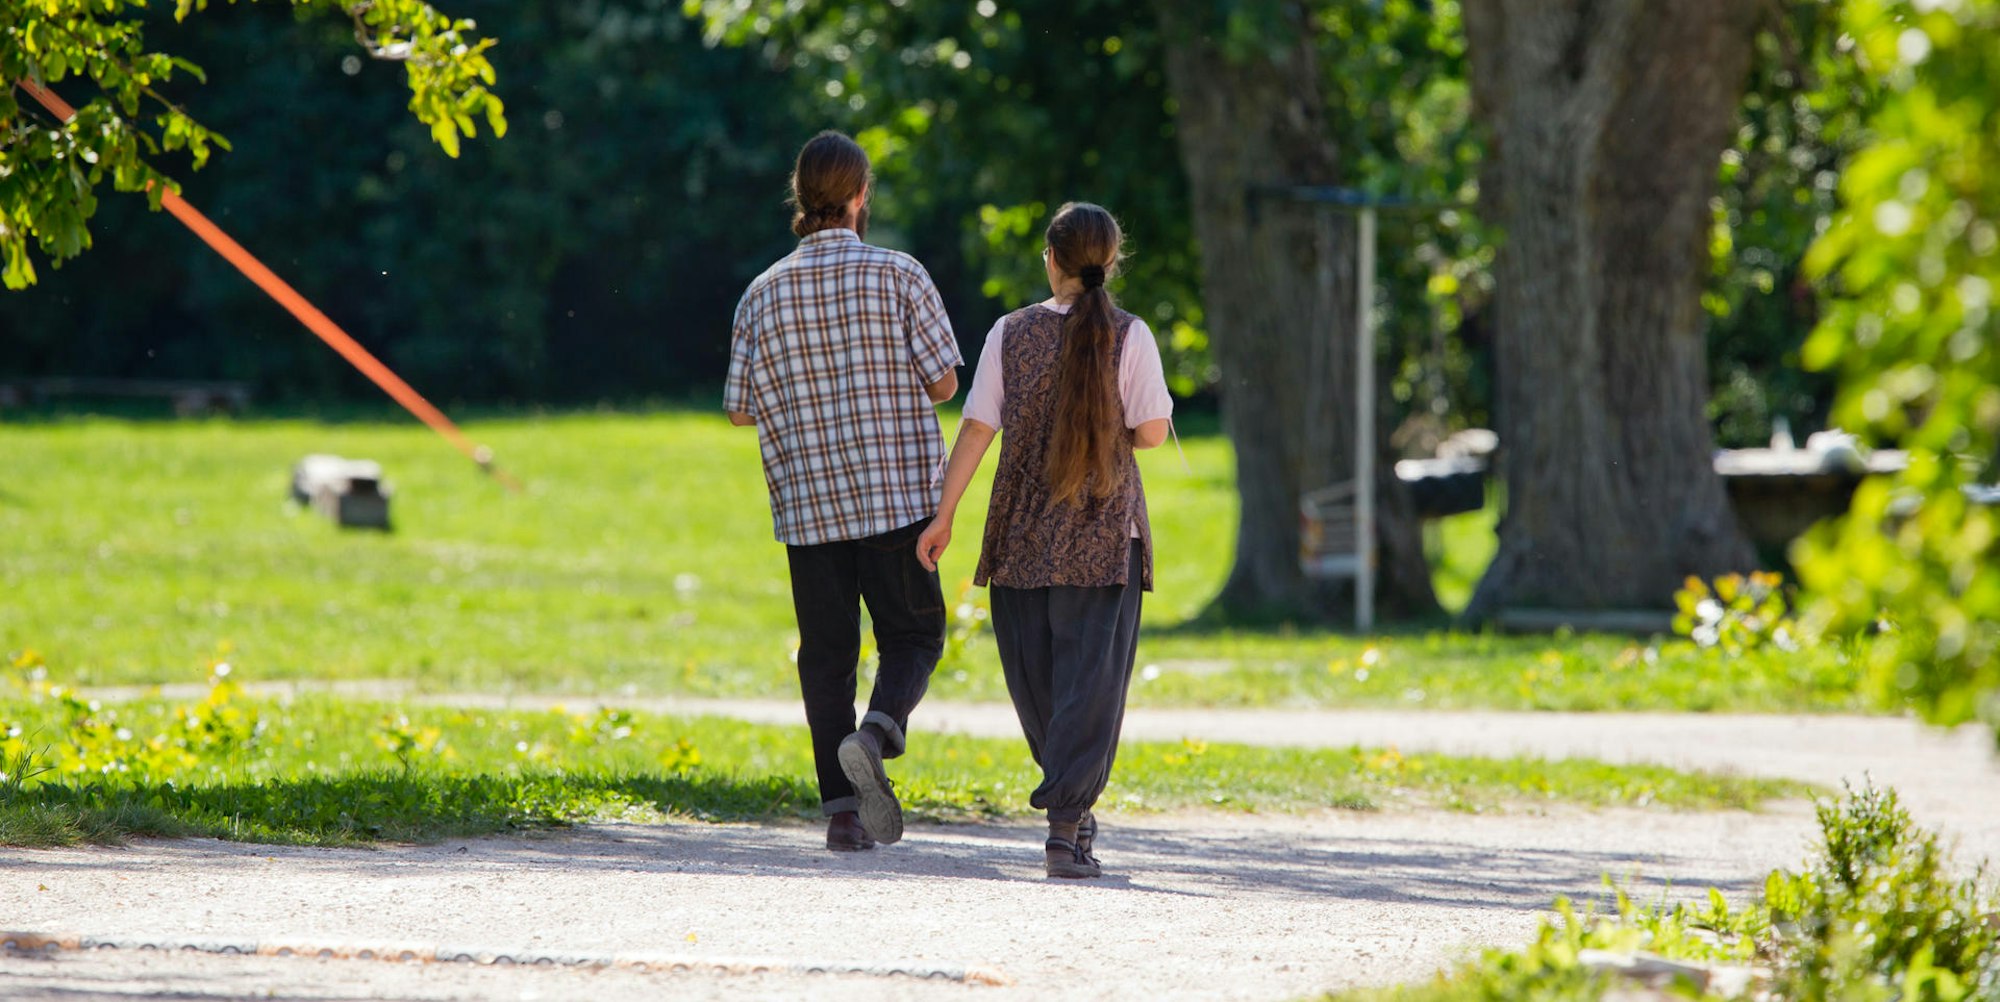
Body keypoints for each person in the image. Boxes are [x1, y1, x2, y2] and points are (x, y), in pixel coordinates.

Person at [915, 202, 1172, 878]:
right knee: (1090, 688)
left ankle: (1068, 812)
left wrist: (943, 517)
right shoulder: (1132, 334)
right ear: (1110, 262)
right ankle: (1066, 822)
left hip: (1022, 534)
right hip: (1104, 536)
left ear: (1051, 260)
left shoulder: (1010, 333)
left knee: (1038, 686)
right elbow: (1150, 432)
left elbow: (975, 428)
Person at [724, 130, 962, 852]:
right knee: (915, 635)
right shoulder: (900, 274)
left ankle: (843, 815)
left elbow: (739, 407)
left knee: (826, 658)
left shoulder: (762, 292)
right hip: (897, 500)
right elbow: (947, 381)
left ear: (801, 199)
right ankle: (880, 730)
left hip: (810, 508)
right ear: (861, 197)